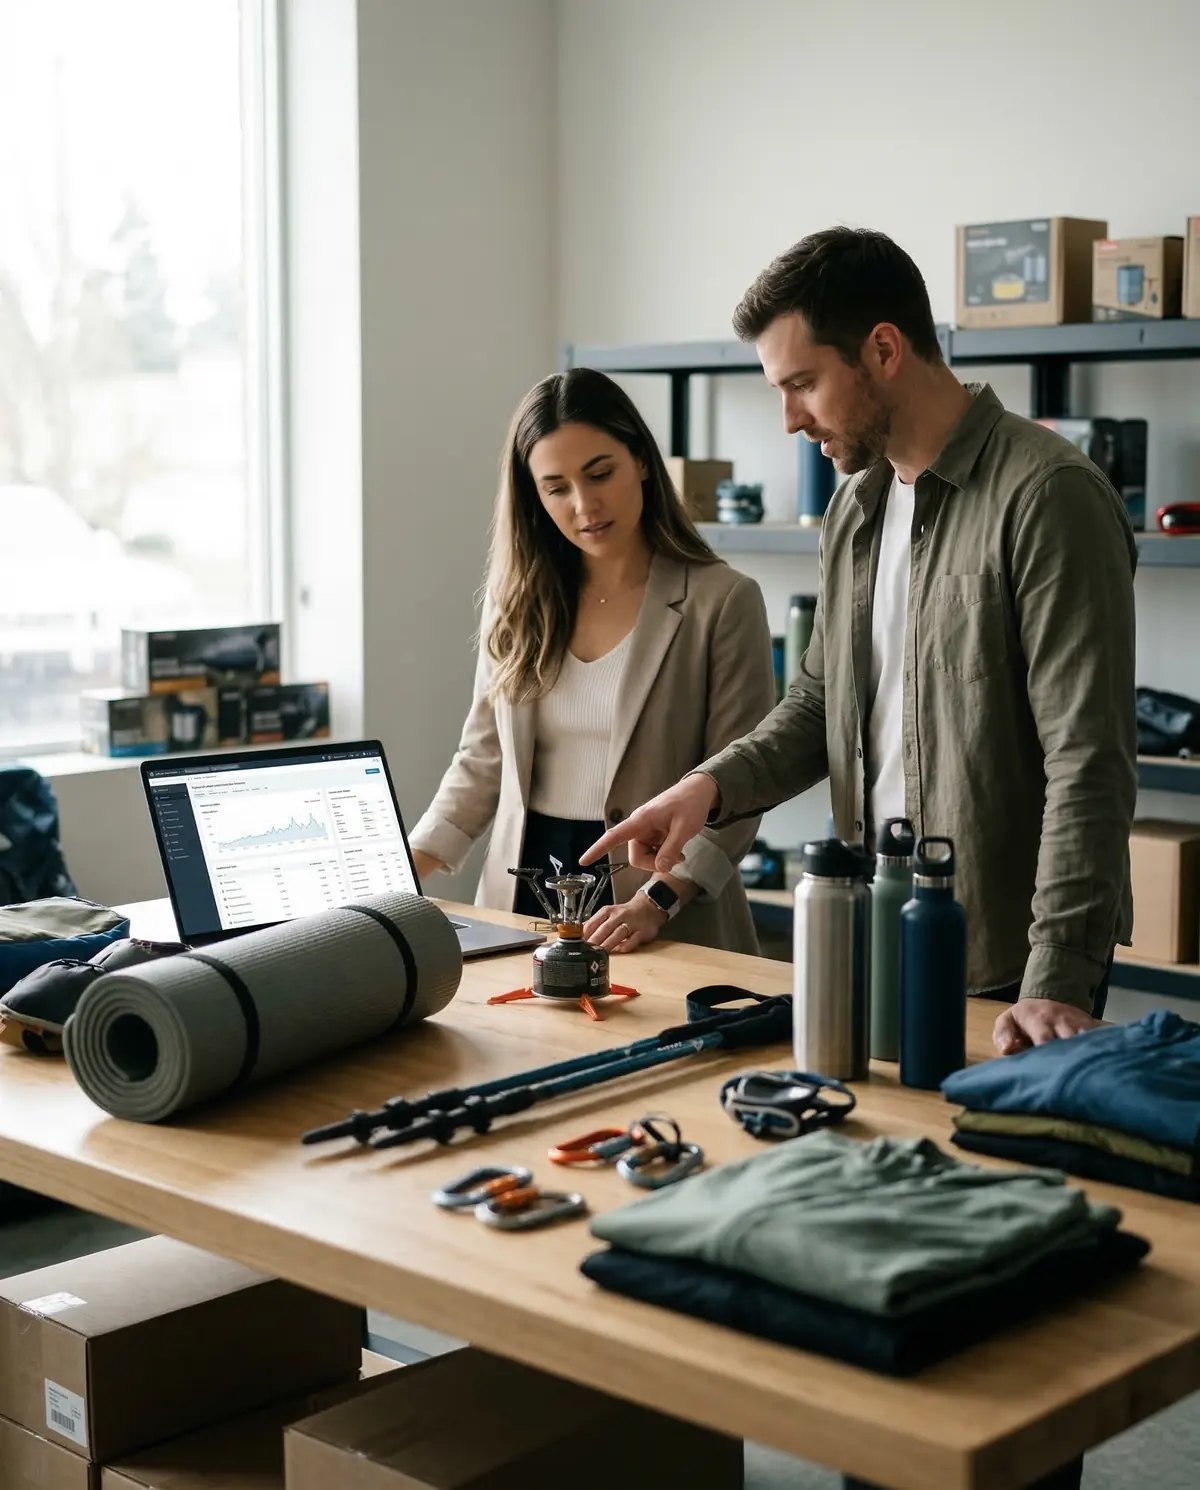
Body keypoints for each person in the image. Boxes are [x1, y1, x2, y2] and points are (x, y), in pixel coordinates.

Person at [585, 227, 1137, 1054]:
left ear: (883, 349)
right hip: (874, 919)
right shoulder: (855, 509)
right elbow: (818, 702)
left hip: (1006, 960)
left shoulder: (1048, 495)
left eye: (802, 383)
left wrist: (1054, 974)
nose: (788, 419)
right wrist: (706, 788)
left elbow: (1088, 758)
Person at [407, 367, 776, 956]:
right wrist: (398, 877)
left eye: (600, 473)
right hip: (521, 902)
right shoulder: (515, 601)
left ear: (643, 462)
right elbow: (482, 762)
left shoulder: (723, 601)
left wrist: (657, 899)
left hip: (662, 905)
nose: (585, 504)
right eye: (556, 487)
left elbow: (739, 791)